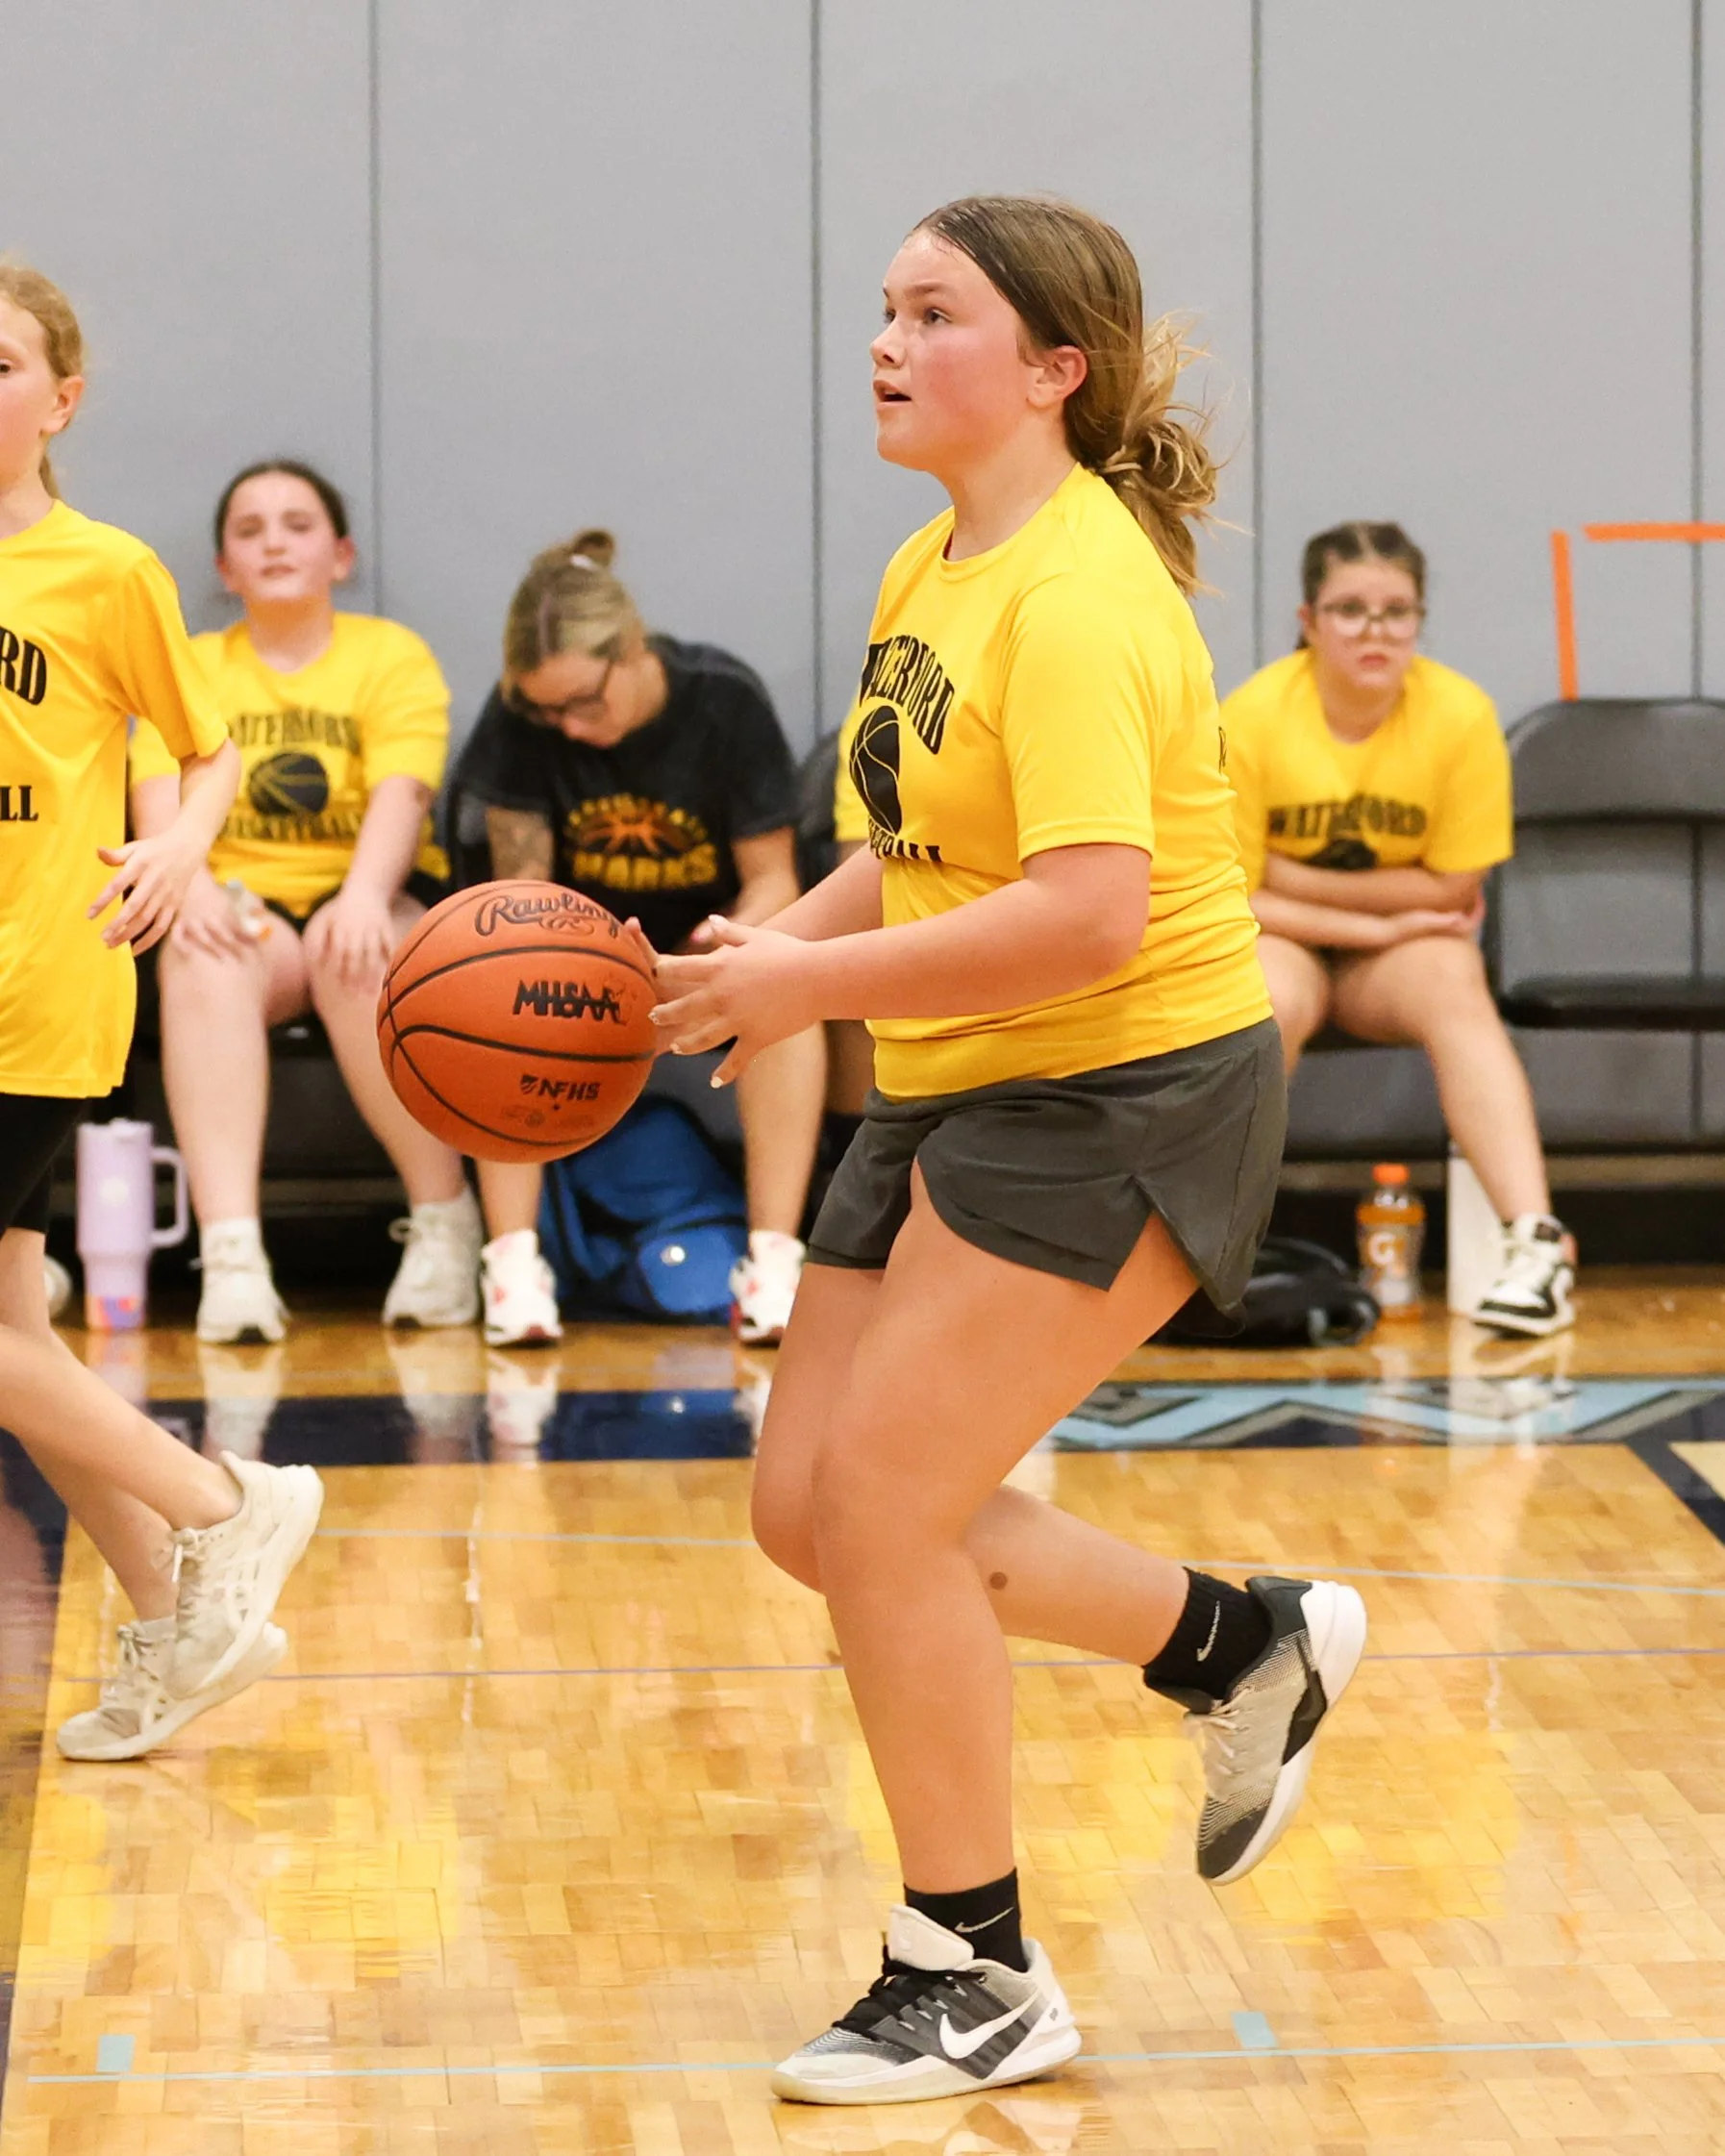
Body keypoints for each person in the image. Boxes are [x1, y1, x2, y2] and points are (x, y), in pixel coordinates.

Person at [648, 196, 1367, 2105]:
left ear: (1053, 366)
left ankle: (972, 1965)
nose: (885, 341)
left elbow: (1087, 915)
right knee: (806, 1510)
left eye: (933, 312)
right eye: (881, 308)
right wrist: (767, 954)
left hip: (1126, 1079)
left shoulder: (1079, 594)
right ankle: (1239, 1641)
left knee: (888, 1508)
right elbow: (919, 837)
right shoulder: (934, 562)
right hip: (963, 1065)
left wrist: (805, 996)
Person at [0, 260, 323, 1762]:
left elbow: (208, 752)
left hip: (32, 984)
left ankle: (226, 1501)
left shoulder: (104, 570)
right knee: (16, 1335)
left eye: (2, 366)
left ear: (61, 398)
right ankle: (179, 1614)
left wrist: (184, 842)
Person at [130, 462, 480, 1344]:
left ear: (341, 553)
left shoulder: (389, 655)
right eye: (250, 530)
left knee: (354, 948)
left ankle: (443, 1224)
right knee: (201, 958)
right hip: (237, 905)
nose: (274, 541)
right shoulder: (193, 664)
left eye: (296, 524)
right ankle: (234, 1255)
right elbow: (154, 790)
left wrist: (362, 896)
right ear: (225, 568)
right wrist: (190, 884)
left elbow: (404, 791)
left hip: (371, 889)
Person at [453, 531, 824, 1347]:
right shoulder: (520, 721)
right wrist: (586, 963)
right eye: (547, 709)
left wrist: (719, 952)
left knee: (788, 999)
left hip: (702, 954)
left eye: (585, 701)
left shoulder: (723, 699)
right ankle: (513, 1265)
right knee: (501, 1012)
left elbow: (774, 878)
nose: (570, 726)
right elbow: (524, 898)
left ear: (632, 649)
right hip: (577, 965)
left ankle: (773, 1262)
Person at [1221, 521, 1575, 1337]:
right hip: (1295, 941)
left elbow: (1453, 887)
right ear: (1309, 621)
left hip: (1399, 954)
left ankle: (1537, 1248)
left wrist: (1287, 872)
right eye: (1350, 610)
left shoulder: (1457, 715)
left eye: (1395, 611)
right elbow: (1228, 894)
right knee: (1263, 995)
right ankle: (1211, 1244)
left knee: (1454, 979)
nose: (1374, 631)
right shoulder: (1252, 718)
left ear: (1419, 619)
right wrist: (1378, 919)